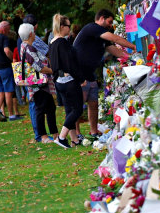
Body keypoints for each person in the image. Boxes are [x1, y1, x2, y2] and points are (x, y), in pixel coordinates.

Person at [73, 9, 136, 140]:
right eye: (109, 22)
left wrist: (133, 58)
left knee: (93, 104)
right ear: (101, 18)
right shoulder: (93, 28)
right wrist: (133, 46)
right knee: (77, 105)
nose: (110, 25)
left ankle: (94, 132)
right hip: (79, 73)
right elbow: (115, 38)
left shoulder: (100, 35)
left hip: (90, 74)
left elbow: (114, 50)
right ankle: (75, 135)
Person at [18, 23, 57, 144]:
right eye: (33, 32)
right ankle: (43, 136)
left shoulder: (26, 46)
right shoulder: (28, 49)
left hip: (40, 83)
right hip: (38, 84)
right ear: (30, 34)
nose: (35, 34)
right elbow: (39, 67)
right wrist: (54, 71)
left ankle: (55, 134)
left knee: (50, 107)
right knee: (41, 109)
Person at [49, 14, 84, 149]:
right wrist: (81, 78)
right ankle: (62, 137)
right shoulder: (62, 42)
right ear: (62, 27)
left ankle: (74, 140)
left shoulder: (52, 42)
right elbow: (70, 64)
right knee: (77, 110)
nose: (69, 28)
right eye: (68, 26)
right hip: (69, 81)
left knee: (69, 110)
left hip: (59, 81)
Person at [0, 21, 21, 122]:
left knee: (0, 91)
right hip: (5, 68)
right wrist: (12, 59)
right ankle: (11, 115)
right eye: (8, 29)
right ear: (3, 28)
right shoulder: (3, 38)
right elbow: (6, 51)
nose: (9, 31)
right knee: (8, 91)